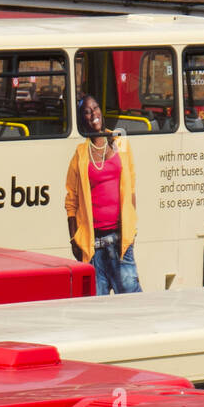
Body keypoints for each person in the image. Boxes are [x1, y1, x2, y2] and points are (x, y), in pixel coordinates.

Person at [64, 95, 141, 294]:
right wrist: (74, 241)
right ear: (83, 120)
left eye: (95, 108)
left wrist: (131, 229)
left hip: (120, 243)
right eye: (87, 112)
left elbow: (130, 187)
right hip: (92, 248)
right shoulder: (80, 155)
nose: (93, 115)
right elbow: (71, 202)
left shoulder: (119, 143)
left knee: (133, 306)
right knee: (96, 312)